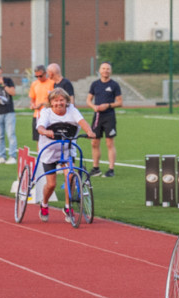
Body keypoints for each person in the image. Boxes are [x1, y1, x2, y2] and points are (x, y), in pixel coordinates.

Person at [35, 88, 94, 223]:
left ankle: (68, 207)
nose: (59, 103)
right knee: (51, 184)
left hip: (67, 150)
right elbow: (40, 127)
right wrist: (45, 131)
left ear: (66, 101)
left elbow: (82, 121)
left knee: (71, 176)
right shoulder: (46, 112)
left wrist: (90, 131)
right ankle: (44, 204)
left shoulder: (72, 110)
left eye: (61, 100)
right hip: (49, 151)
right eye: (55, 100)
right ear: (51, 102)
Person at [86, 62, 123, 177]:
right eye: (103, 68)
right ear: (100, 70)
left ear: (110, 71)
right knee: (94, 142)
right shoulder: (95, 84)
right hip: (97, 117)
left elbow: (120, 102)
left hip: (109, 117)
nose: (105, 70)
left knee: (109, 143)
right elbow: (88, 100)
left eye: (108, 69)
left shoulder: (114, 85)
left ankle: (111, 169)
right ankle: (96, 168)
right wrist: (94, 107)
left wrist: (107, 105)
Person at [27, 64, 52, 141]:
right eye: (36, 76)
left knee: (49, 139)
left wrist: (42, 104)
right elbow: (32, 100)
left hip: (49, 115)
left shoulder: (52, 83)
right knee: (38, 139)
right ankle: (39, 153)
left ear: (45, 73)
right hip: (37, 115)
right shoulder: (34, 84)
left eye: (40, 76)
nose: (38, 78)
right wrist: (33, 106)